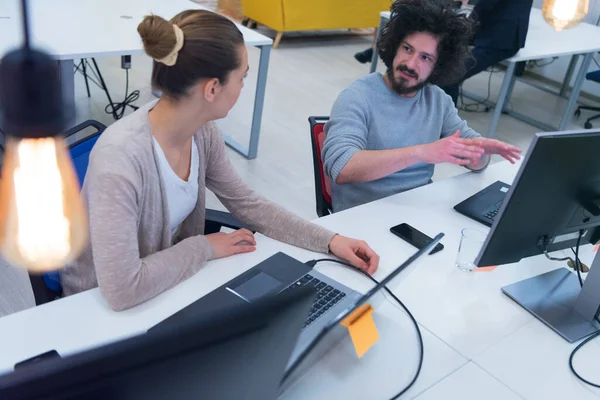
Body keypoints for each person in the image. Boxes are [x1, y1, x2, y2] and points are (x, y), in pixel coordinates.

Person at [60, 10, 379, 311]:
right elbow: (121, 290)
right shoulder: (121, 157)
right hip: (95, 307)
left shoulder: (203, 133)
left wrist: (330, 241)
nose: (243, 86)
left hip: (166, 287)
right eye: (242, 77)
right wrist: (204, 248)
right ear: (212, 88)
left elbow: (247, 203)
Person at [323, 0, 521, 213]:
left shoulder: (437, 101)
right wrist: (422, 152)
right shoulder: (358, 96)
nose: (410, 63)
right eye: (407, 49)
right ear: (395, 46)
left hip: (417, 213)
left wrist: (479, 153)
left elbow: (478, 162)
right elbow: (342, 167)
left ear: (439, 66)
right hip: (361, 219)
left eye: (425, 58)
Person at [441, 0, 534, 105]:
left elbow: (485, 5)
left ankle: (446, 118)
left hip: (500, 39)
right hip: (496, 32)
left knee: (451, 75)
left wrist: (468, 23)